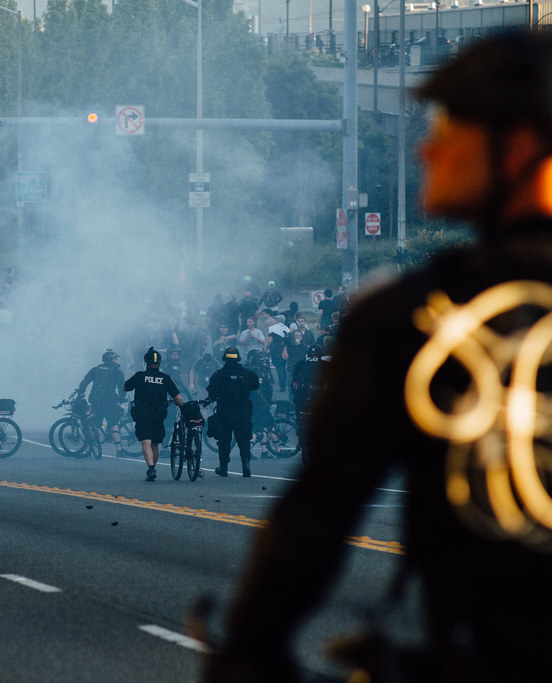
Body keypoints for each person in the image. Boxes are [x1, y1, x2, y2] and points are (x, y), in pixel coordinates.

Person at [208, 32, 552, 683]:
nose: (428, 146)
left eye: (452, 125)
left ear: (522, 145)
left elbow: (310, 525)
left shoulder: (410, 318)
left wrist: (248, 649)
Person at [124, 347, 184, 482]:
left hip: (142, 414)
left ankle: (151, 468)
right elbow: (178, 398)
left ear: (146, 362)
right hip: (159, 415)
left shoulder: (140, 376)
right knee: (155, 444)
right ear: (160, 363)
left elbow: (125, 387)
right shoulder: (166, 378)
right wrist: (184, 409)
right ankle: (152, 467)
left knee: (146, 442)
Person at [204, 346, 259, 478]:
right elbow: (255, 385)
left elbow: (212, 393)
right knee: (244, 441)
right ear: (238, 358)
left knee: (224, 442)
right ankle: (246, 467)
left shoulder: (219, 374)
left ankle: (223, 468)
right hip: (243, 413)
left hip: (225, 413)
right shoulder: (248, 373)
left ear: (225, 359)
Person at [77, 349, 126, 456]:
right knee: (113, 424)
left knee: (94, 425)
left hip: (95, 400)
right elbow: (122, 386)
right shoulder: (117, 371)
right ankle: (119, 450)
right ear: (110, 360)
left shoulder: (96, 369)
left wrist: (81, 393)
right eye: (115, 358)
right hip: (110, 401)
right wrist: (122, 398)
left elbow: (85, 382)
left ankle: (89, 450)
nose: (117, 360)